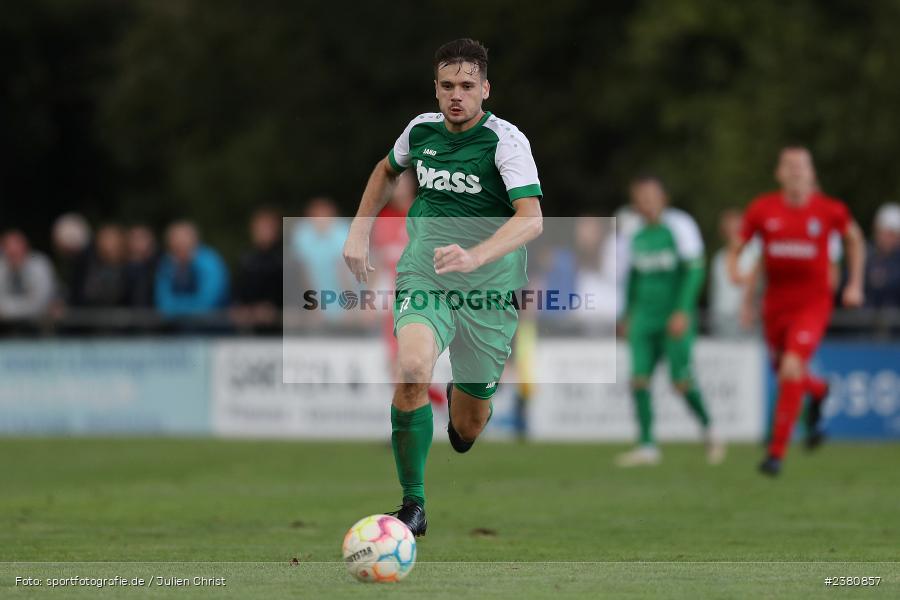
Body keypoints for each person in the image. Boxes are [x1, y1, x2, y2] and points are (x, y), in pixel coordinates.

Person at [342, 38, 543, 536]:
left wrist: (475, 254)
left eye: (468, 86)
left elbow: (532, 219)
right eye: (448, 85)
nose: (457, 95)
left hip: (489, 289)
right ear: (436, 88)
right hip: (426, 273)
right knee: (411, 370)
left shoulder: (506, 142)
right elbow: (387, 170)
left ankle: (464, 399)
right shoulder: (421, 130)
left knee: (467, 429)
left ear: (485, 89)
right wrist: (359, 229)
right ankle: (413, 504)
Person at [728, 147, 865, 476]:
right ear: (779, 174)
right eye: (788, 166)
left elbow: (855, 239)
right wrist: (736, 273)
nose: (795, 172)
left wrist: (855, 284)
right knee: (786, 374)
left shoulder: (830, 211)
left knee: (791, 367)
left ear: (812, 174)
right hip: (774, 306)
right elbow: (744, 249)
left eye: (801, 166)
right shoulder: (763, 209)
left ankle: (775, 453)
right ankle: (819, 390)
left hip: (812, 305)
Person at [616, 176, 724, 467]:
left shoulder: (680, 225)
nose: (647, 203)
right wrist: (626, 314)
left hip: (673, 316)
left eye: (651, 196)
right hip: (643, 318)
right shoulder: (632, 232)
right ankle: (648, 446)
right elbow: (631, 278)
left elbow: (694, 271)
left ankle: (709, 429)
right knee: (638, 379)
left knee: (681, 382)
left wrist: (683, 310)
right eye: (641, 197)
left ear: (663, 198)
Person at [155, 221, 229, 317]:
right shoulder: (167, 264)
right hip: (177, 328)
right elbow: (163, 303)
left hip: (212, 327)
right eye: (175, 246)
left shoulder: (210, 262)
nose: (179, 246)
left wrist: (176, 309)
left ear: (195, 241)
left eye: (183, 243)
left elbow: (208, 303)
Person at [709, 209, 761, 337]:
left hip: (747, 319)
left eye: (737, 227)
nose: (733, 231)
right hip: (721, 316)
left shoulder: (754, 253)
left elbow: (754, 282)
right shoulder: (719, 258)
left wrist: (749, 306)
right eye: (729, 228)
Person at [232, 208, 283, 330]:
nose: (262, 232)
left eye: (267, 228)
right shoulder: (246, 260)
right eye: (259, 228)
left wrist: (275, 311)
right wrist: (242, 309)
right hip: (251, 329)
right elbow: (239, 294)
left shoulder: (286, 260)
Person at [0, 230, 56, 322]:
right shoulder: (2, 267)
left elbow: (39, 304)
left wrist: (6, 310)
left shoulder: (40, 265)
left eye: (16, 251)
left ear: (25, 247)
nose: (12, 253)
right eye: (8, 251)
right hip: (5, 327)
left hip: (40, 326)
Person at [78, 224, 129, 307]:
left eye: (111, 239)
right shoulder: (86, 267)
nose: (107, 244)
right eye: (104, 239)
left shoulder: (130, 271)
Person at [864, 203, 900, 308]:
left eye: (892, 234)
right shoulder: (864, 256)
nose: (887, 238)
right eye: (884, 232)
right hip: (863, 321)